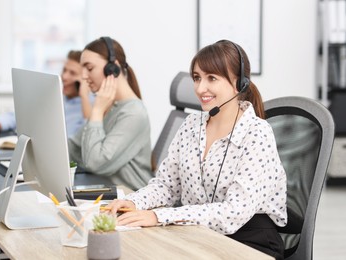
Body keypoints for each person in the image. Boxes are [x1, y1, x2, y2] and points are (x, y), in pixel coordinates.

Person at [107, 40, 287, 260]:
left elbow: (234, 212)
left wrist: (158, 216)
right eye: (196, 78)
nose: (200, 88)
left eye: (212, 78)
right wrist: (135, 202)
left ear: (239, 83)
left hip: (250, 243)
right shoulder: (191, 125)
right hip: (198, 234)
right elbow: (166, 185)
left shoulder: (257, 133)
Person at [67, 36, 154, 191]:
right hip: (105, 189)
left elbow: (95, 163)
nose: (84, 76)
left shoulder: (134, 113)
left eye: (89, 68)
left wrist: (97, 111)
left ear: (113, 68)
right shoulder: (110, 105)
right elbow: (74, 148)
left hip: (131, 198)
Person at [0, 50, 93, 138]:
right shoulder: (55, 96)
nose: (64, 76)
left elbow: (88, 136)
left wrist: (84, 96)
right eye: (64, 70)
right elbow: (22, 114)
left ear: (84, 79)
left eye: (72, 73)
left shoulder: (89, 106)